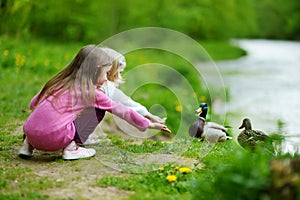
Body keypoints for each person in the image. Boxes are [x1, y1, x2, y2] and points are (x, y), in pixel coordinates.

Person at [19, 45, 170, 160]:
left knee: (43, 115)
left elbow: (33, 103)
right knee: (99, 109)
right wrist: (148, 124)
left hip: (31, 134)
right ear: (95, 70)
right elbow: (122, 110)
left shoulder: (58, 82)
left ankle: (27, 146)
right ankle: (71, 148)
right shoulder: (92, 93)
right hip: (56, 139)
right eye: (105, 73)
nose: (106, 78)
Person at [83, 47, 167, 145]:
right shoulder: (105, 87)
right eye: (120, 72)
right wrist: (149, 117)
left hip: (68, 124)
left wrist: (149, 116)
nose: (120, 76)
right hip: (75, 126)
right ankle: (79, 138)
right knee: (98, 110)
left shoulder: (83, 82)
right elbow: (126, 104)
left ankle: (79, 137)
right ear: (109, 70)